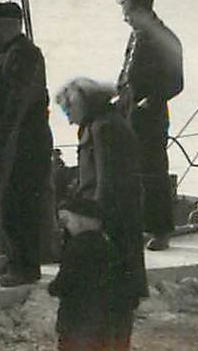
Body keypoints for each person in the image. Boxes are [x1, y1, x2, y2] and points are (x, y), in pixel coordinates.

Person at [0, 1, 53, 286]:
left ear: (10, 25)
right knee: (2, 203)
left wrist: (1, 144)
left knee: (19, 204)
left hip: (23, 140)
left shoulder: (25, 55)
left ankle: (26, 266)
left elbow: (17, 104)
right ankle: (10, 257)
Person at [54, 78, 148, 312]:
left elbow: (106, 176)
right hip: (114, 206)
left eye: (68, 110)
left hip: (111, 209)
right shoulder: (102, 123)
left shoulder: (102, 128)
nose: (68, 118)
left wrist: (97, 213)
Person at [114, 0, 184, 250]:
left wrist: (151, 100)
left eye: (128, 13)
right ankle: (141, 225)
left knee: (153, 172)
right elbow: (128, 72)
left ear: (143, 11)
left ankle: (161, 230)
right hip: (128, 113)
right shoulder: (137, 36)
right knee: (132, 172)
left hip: (149, 116)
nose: (125, 18)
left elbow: (177, 82)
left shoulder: (165, 38)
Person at [48, 196, 142, 351]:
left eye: (66, 220)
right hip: (109, 324)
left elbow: (64, 283)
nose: (64, 227)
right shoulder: (110, 244)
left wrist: (52, 288)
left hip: (79, 325)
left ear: (81, 220)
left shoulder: (76, 247)